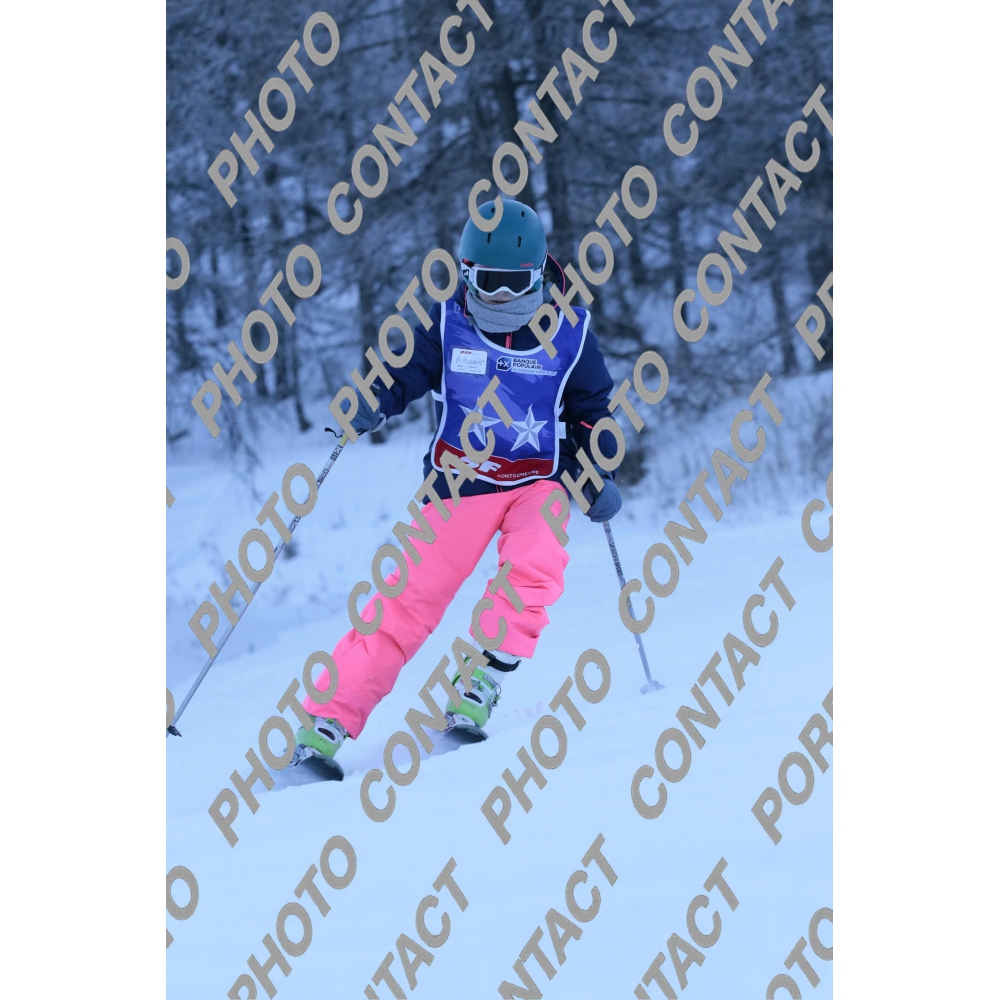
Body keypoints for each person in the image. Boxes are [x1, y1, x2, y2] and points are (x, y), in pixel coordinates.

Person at [294, 198, 622, 764]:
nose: (500, 298)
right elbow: (403, 372)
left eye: (515, 283)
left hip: (536, 481)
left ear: (539, 275)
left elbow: (592, 411)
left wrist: (595, 470)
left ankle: (479, 678)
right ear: (467, 275)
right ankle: (329, 719)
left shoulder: (569, 333)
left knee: (537, 561)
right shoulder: (449, 325)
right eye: (488, 283)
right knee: (407, 600)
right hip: (459, 485)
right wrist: (372, 397)